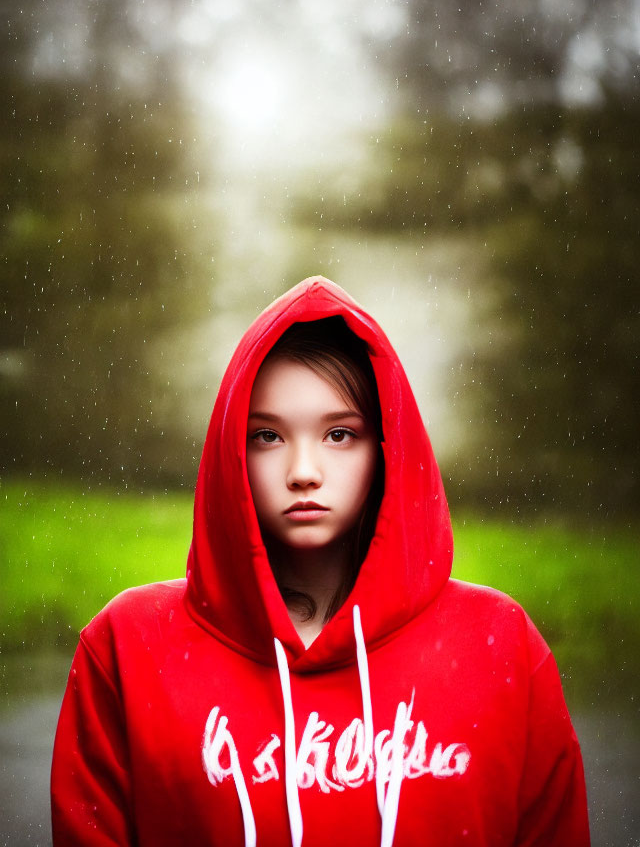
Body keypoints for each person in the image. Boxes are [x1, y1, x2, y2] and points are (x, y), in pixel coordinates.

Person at [51, 275, 590, 846]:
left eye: (338, 434)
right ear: (230, 447)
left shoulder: (499, 644)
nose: (303, 470)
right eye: (267, 436)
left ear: (386, 448)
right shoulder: (129, 646)